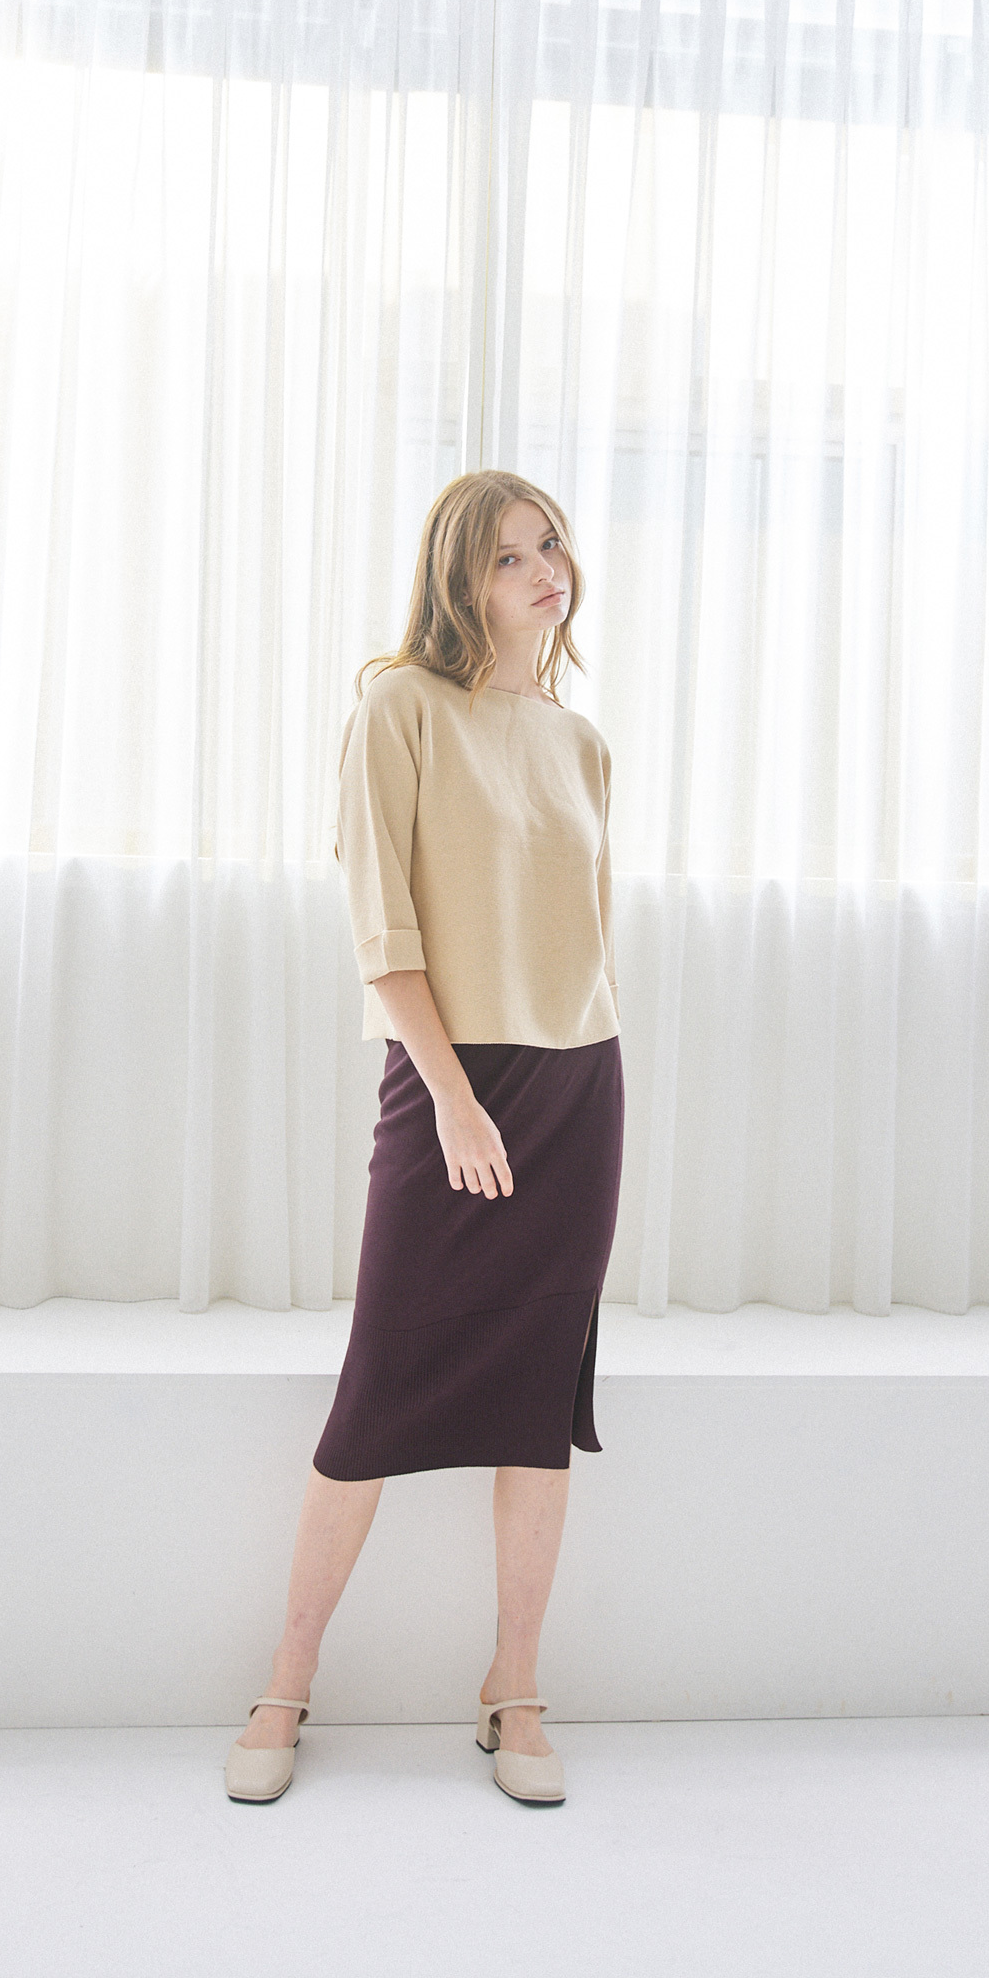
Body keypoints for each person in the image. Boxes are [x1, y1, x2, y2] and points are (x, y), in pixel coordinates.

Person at [225, 469, 624, 1807]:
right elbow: (382, 928)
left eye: (549, 545)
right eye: (510, 556)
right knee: (376, 1393)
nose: (544, 571)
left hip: (576, 1087)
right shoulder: (398, 708)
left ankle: (515, 1687)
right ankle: (285, 1681)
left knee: (538, 1405)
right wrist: (451, 1095)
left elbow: (589, 939)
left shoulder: (579, 742)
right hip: (451, 1077)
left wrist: (568, 1073)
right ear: (462, 578)